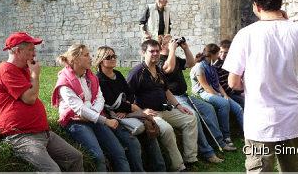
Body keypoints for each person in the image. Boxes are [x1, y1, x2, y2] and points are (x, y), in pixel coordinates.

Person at [223, 0, 298, 172]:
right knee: (293, 169)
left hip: (260, 118)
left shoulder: (245, 34)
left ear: (256, 6)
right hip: (292, 115)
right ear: (280, 3)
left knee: (259, 170)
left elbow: (233, 82)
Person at [0, 32, 83, 172]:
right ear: (17, 51)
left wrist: (32, 73)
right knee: (52, 171)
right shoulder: (6, 70)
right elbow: (30, 98)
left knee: (75, 157)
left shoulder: (24, 69)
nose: (34, 53)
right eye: (31, 49)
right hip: (21, 135)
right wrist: (35, 74)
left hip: (42, 132)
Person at [51, 44, 141, 172]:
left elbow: (100, 98)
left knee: (119, 152)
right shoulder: (64, 82)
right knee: (98, 156)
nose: (91, 58)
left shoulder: (90, 76)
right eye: (86, 55)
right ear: (76, 59)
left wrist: (93, 115)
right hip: (75, 121)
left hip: (93, 118)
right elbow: (79, 109)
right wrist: (104, 120)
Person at [158, 35, 236, 164]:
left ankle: (219, 142)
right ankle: (207, 152)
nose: (174, 43)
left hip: (184, 95)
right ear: (162, 45)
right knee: (194, 116)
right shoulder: (160, 60)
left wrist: (185, 47)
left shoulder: (175, 58)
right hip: (174, 98)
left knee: (209, 109)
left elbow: (190, 63)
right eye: (170, 42)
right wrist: (172, 50)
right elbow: (169, 69)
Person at [127, 39, 198, 171]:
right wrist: (142, 112)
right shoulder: (136, 73)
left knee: (190, 118)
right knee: (167, 130)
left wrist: (178, 106)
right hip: (149, 114)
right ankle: (179, 167)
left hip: (164, 109)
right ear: (143, 53)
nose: (155, 53)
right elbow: (128, 99)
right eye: (151, 51)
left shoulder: (158, 70)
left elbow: (166, 90)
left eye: (157, 51)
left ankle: (190, 158)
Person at [94, 45, 166, 172]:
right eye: (108, 57)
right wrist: (129, 107)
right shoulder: (99, 79)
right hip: (113, 117)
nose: (113, 59)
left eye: (114, 56)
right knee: (133, 143)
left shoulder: (117, 74)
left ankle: (160, 169)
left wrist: (126, 107)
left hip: (125, 113)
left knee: (150, 133)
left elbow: (130, 93)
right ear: (100, 60)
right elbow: (109, 102)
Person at [191, 44, 244, 145]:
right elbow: (205, 86)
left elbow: (217, 84)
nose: (219, 55)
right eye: (218, 53)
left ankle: (246, 135)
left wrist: (225, 95)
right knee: (224, 104)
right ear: (212, 54)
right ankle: (226, 136)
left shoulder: (211, 64)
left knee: (238, 108)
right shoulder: (200, 66)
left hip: (214, 91)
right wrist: (219, 96)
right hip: (203, 93)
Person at [213, 39, 245, 108]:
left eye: (226, 52)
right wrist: (239, 91)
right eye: (221, 52)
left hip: (236, 90)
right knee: (244, 101)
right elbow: (222, 85)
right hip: (227, 93)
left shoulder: (232, 62)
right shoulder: (217, 66)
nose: (222, 55)